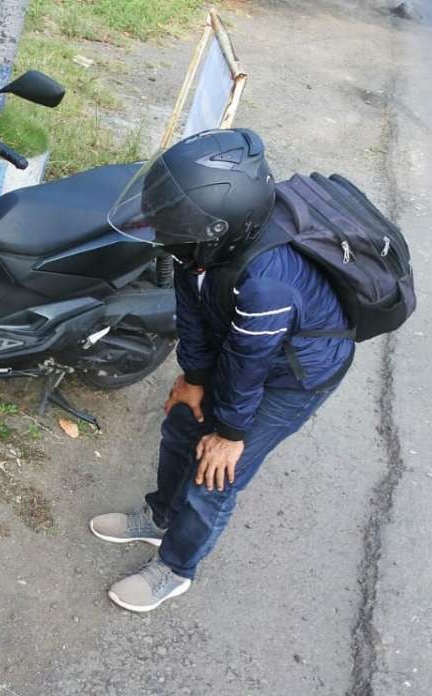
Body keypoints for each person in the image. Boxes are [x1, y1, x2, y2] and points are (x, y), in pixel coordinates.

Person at [90, 129, 355, 612]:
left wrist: (230, 432)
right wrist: (193, 378)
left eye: (175, 226)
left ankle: (176, 568)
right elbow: (190, 307)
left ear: (218, 227)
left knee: (214, 473)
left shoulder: (268, 283)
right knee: (180, 424)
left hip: (294, 373)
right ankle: (160, 517)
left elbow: (248, 363)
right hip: (245, 346)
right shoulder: (201, 245)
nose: (165, 232)